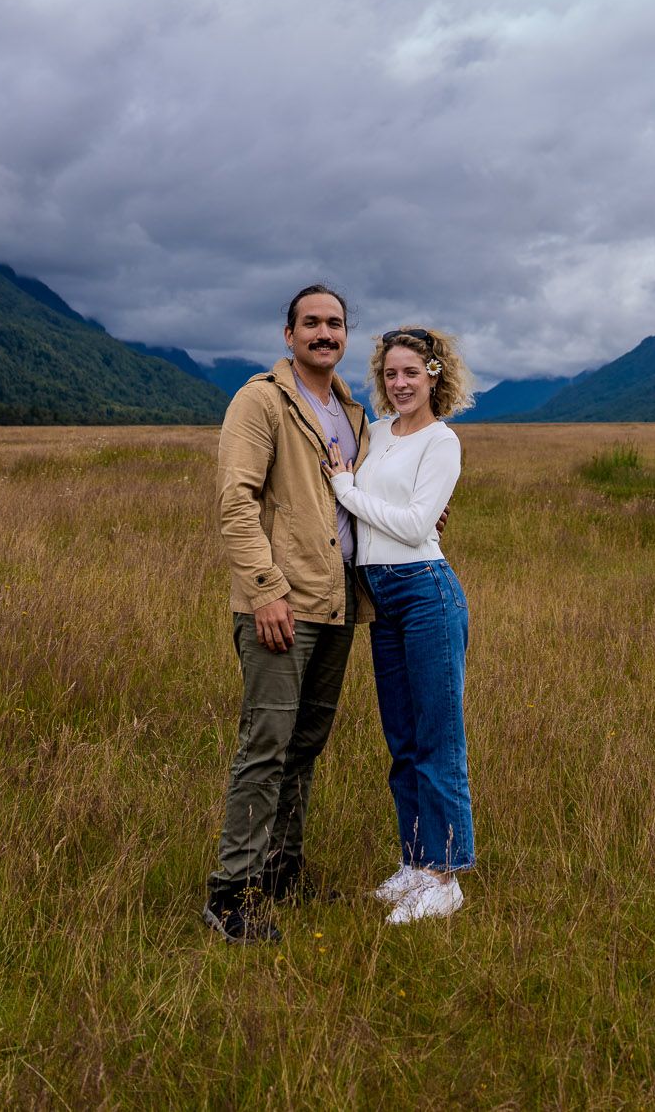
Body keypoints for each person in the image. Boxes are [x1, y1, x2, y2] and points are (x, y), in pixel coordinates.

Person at [205, 284, 374, 943]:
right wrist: (265, 588)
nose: (323, 333)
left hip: (336, 606)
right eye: (311, 323)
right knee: (266, 747)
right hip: (281, 604)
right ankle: (228, 896)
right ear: (288, 335)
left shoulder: (351, 413)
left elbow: (360, 499)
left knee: (305, 746)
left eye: (334, 323)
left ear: (345, 335)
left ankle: (281, 873)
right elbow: (236, 500)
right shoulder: (260, 401)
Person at [323, 326, 476, 924]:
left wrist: (344, 487)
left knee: (438, 737)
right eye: (390, 373)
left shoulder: (442, 441)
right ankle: (416, 862)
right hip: (379, 596)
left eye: (412, 371)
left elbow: (415, 526)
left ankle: (445, 878)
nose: (400, 382)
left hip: (424, 592)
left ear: (435, 373)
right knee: (402, 739)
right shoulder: (378, 434)